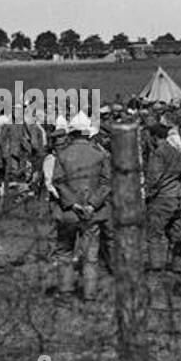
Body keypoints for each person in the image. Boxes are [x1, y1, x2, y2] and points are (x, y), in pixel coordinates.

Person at [50, 113, 111, 301]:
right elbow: (107, 182)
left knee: (65, 252)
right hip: (93, 212)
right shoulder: (100, 154)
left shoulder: (62, 155)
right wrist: (93, 204)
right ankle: (90, 294)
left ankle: (66, 291)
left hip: (68, 212)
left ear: (71, 132)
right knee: (91, 256)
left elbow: (58, 182)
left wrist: (73, 203)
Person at [143, 123, 181, 272]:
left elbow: (154, 177)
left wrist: (147, 194)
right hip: (176, 197)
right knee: (176, 233)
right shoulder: (177, 152)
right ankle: (179, 264)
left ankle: (155, 266)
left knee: (154, 234)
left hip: (161, 198)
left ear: (154, 137)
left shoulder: (159, 153)